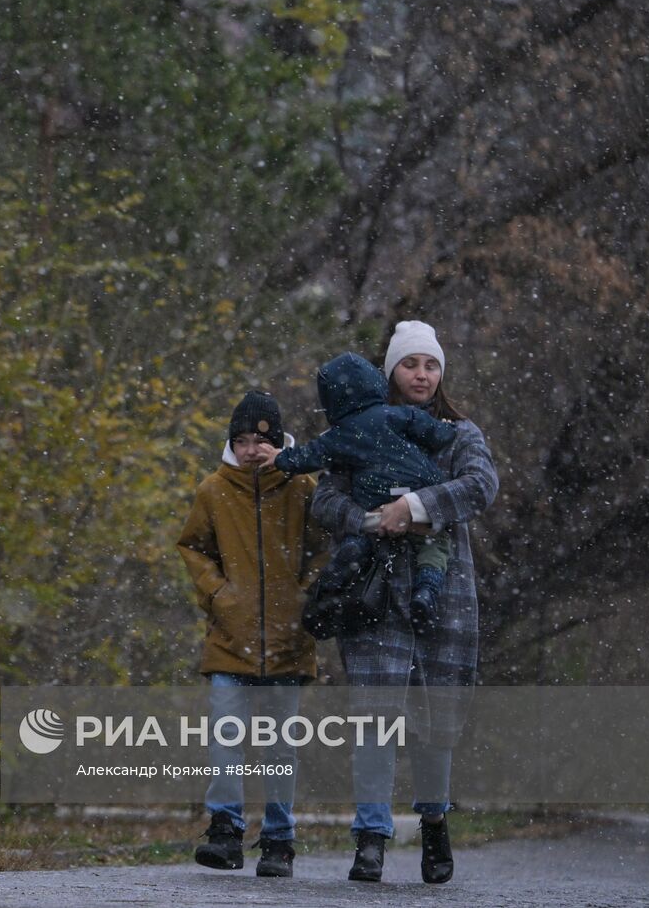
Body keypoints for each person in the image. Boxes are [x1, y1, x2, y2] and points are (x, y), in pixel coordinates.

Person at [310, 321, 499, 884]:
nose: (422, 374)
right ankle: (370, 837)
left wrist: (416, 504)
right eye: (411, 364)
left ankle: (435, 825)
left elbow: (481, 485)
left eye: (431, 365)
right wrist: (371, 519)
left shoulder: (460, 432)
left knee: (438, 717)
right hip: (372, 589)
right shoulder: (361, 429)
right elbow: (324, 497)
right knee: (376, 716)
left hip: (447, 593)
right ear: (391, 370)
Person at [176, 390, 325, 878]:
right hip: (229, 637)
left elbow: (324, 552)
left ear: (280, 441)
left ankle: (279, 838)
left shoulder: (303, 488)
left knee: (281, 745)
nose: (251, 450)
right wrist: (219, 595)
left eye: (261, 441)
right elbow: (194, 547)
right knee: (225, 736)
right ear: (230, 444)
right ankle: (225, 829)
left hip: (288, 637)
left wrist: (304, 597)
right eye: (241, 440)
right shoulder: (213, 490)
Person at [255, 351, 456, 636]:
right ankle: (427, 589)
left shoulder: (339, 435)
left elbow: (310, 455)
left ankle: (350, 556)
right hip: (420, 485)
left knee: (365, 537)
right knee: (436, 543)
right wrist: (445, 432)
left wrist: (280, 458)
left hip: (374, 495)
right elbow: (429, 429)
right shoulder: (397, 414)